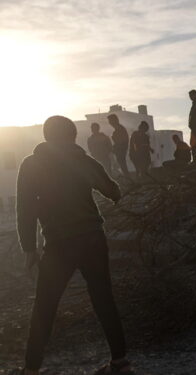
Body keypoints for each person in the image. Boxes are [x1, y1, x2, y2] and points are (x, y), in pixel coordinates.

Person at [14, 116, 132, 375]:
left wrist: (29, 249)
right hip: (93, 238)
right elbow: (113, 191)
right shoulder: (82, 160)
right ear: (71, 136)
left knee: (45, 306)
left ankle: (31, 369)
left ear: (46, 136)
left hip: (58, 244)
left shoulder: (31, 164)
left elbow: (25, 209)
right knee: (104, 299)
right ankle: (121, 363)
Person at [108, 114, 130, 179]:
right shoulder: (119, 129)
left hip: (120, 150)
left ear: (114, 120)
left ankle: (128, 179)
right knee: (122, 165)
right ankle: (127, 179)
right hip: (119, 150)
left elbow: (121, 142)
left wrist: (114, 149)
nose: (109, 123)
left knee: (122, 165)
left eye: (110, 121)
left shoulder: (120, 129)